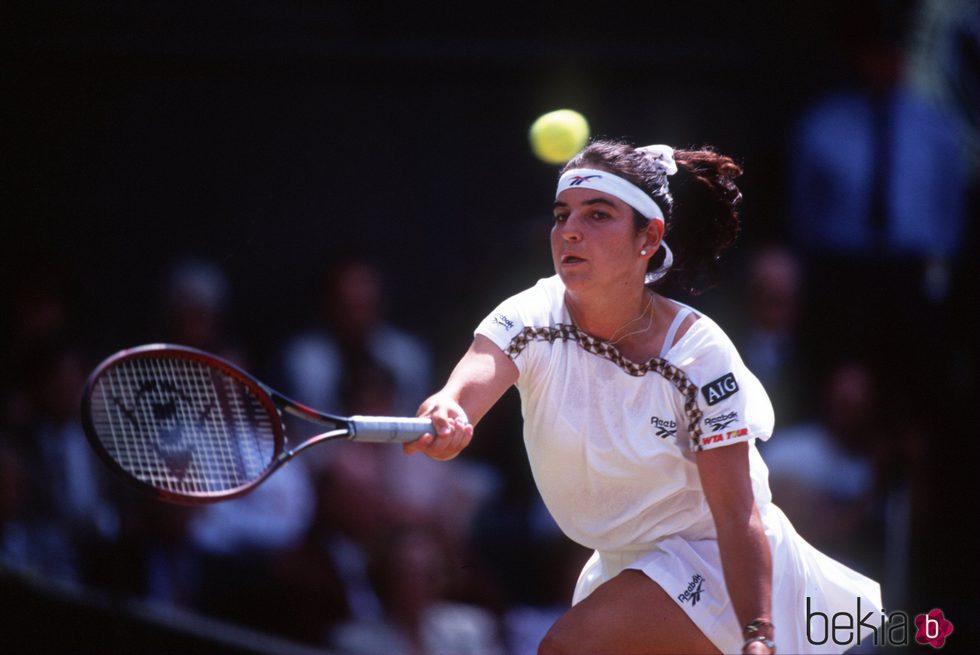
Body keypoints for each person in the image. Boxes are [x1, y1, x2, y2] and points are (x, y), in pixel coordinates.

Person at [404, 140, 882, 654]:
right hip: (628, 566)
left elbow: (737, 514)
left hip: (716, 562)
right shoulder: (529, 315)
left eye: (598, 215)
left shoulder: (700, 357)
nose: (570, 230)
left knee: (566, 648)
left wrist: (757, 633)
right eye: (562, 215)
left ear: (648, 237)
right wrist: (447, 410)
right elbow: (466, 385)